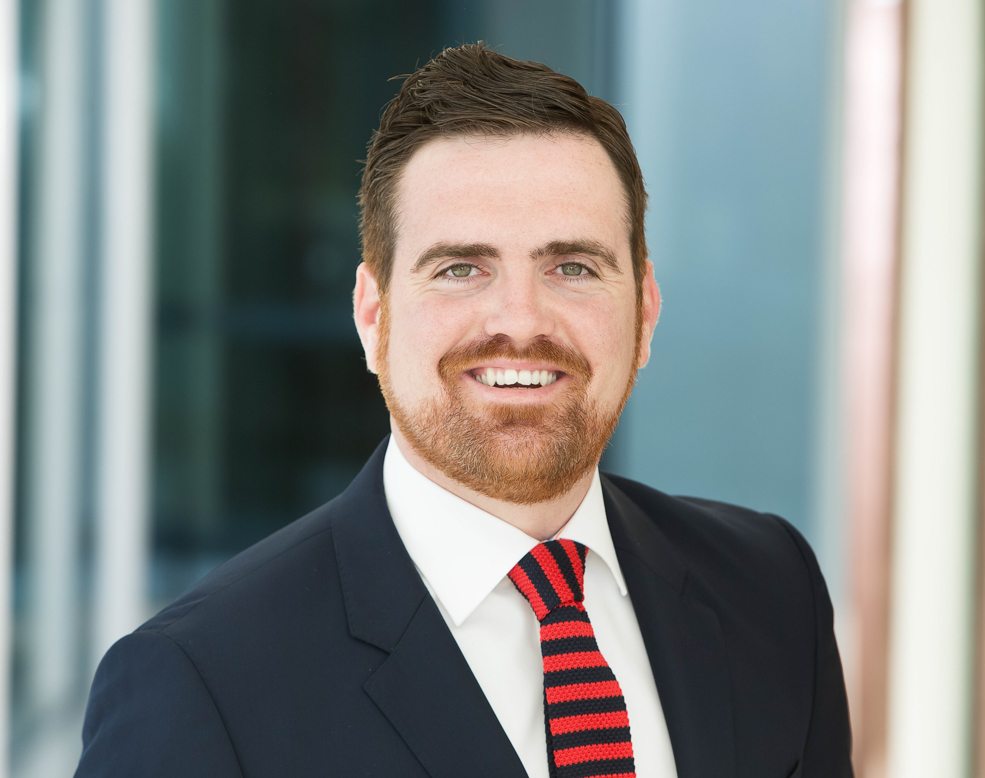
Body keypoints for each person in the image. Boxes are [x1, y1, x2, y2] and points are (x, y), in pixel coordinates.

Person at [75, 43, 853, 777]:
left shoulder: (771, 590)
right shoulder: (199, 684)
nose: (520, 320)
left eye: (573, 267)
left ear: (645, 311)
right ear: (373, 315)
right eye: (459, 268)